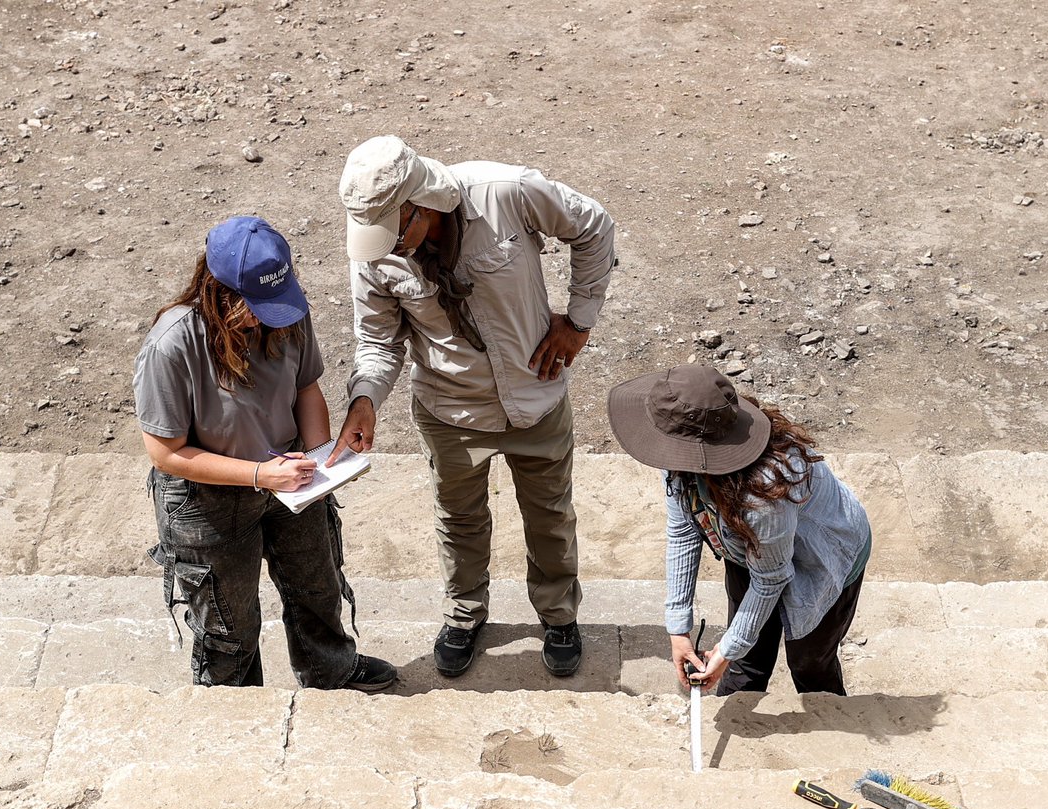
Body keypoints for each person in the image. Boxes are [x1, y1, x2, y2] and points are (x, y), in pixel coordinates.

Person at [329, 136, 616, 678]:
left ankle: (558, 617)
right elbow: (377, 342)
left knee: (550, 516)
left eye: (393, 233)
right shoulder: (373, 253)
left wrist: (578, 321)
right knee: (458, 517)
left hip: (536, 394)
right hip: (450, 409)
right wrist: (365, 401)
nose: (386, 248)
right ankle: (463, 614)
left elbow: (594, 226)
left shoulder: (506, 192)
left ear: (421, 203)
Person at [134, 214, 397, 692]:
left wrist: (320, 463)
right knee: (227, 625)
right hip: (206, 499)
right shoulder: (172, 345)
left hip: (289, 481)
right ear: (217, 293)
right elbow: (166, 453)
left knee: (317, 588)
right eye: (255, 308)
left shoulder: (287, 310)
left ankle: (331, 672)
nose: (267, 319)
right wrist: (260, 474)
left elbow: (306, 388)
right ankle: (233, 709)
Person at [607, 365, 871, 696]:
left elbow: (771, 578)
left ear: (699, 452)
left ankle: (827, 713)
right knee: (746, 658)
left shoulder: (764, 494)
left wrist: (727, 648)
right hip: (747, 547)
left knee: (809, 661)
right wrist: (679, 629)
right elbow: (683, 531)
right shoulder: (678, 459)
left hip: (823, 557)